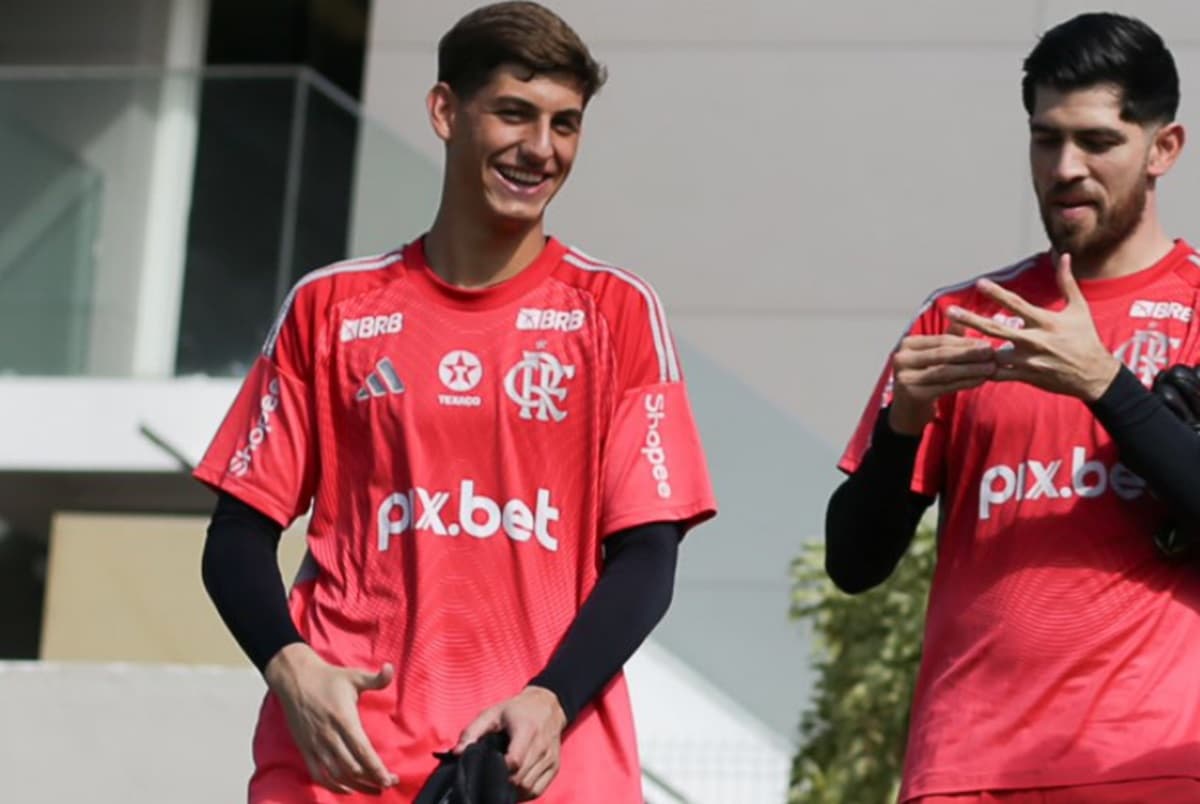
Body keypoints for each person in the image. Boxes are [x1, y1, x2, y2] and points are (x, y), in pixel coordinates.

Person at [195, 3, 716, 801]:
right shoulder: (330, 307)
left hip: (541, 770)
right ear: (445, 111)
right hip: (340, 771)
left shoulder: (615, 312)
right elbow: (236, 536)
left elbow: (648, 556)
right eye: (514, 113)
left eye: (565, 124)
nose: (541, 149)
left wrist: (551, 697)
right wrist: (291, 669)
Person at [827, 12, 1200, 804]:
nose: (1066, 167)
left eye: (1097, 142)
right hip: (964, 770)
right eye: (1045, 139)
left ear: (1164, 148)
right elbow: (855, 565)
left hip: (1150, 766)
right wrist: (902, 429)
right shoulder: (961, 314)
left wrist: (1106, 385)